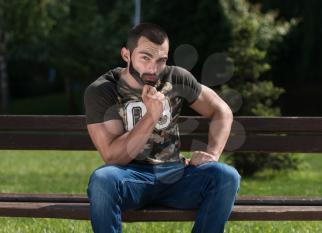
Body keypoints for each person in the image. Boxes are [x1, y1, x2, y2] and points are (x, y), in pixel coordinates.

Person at [84, 22, 241, 233]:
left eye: (161, 60)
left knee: (226, 176)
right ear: (126, 55)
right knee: (103, 180)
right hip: (130, 177)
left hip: (176, 175)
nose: (153, 69)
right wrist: (151, 116)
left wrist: (212, 154)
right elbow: (113, 156)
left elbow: (221, 110)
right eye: (145, 58)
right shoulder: (104, 90)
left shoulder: (175, 78)